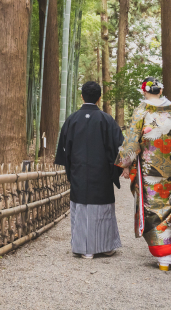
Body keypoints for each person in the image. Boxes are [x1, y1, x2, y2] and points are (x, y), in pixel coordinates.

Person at [115, 76, 171, 271]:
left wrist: (125, 164)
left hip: (149, 169)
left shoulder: (142, 110)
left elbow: (132, 139)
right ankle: (170, 253)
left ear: (144, 91)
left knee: (152, 207)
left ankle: (162, 254)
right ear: (161, 90)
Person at [54, 80, 124, 259]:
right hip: (102, 174)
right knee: (102, 210)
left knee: (81, 209)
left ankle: (83, 248)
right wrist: (118, 169)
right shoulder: (107, 120)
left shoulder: (72, 120)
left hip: (78, 173)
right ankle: (105, 247)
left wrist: (72, 168)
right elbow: (120, 148)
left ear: (82, 97)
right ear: (99, 98)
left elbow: (64, 150)